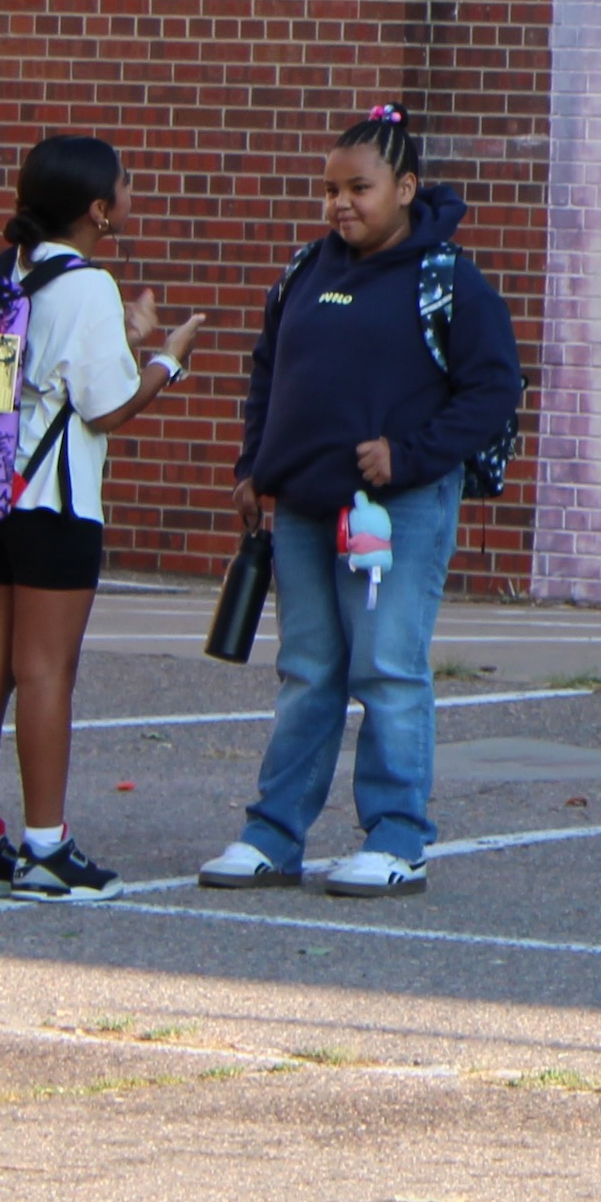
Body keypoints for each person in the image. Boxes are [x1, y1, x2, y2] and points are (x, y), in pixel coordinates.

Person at [201, 108, 519, 899]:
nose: (340, 203)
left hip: (397, 511)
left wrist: (406, 455)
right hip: (306, 508)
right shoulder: (307, 269)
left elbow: (494, 390)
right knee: (308, 670)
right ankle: (274, 834)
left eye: (360, 187)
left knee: (386, 667)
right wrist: (254, 465)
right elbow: (268, 373)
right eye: (330, 189)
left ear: (406, 187)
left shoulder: (449, 280)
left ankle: (397, 835)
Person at [0, 138, 203, 903]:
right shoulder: (87, 285)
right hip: (54, 502)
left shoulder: (4, 273)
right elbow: (106, 405)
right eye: (124, 181)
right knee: (47, 670)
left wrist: (125, 341)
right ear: (98, 209)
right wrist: (168, 357)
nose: (131, 188)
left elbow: (10, 386)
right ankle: (48, 848)